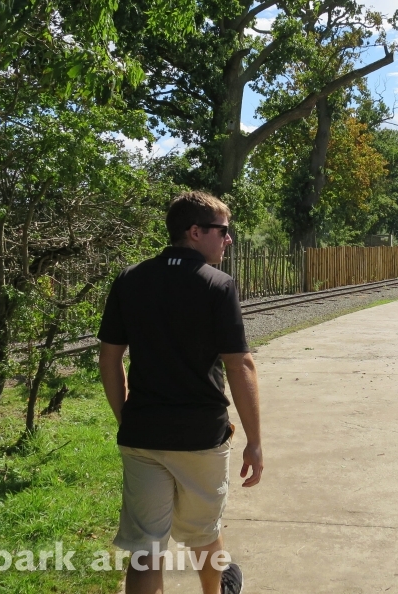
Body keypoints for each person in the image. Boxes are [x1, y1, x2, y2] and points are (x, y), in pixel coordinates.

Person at [98, 191, 263, 594]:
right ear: (195, 232)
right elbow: (240, 365)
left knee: (145, 549)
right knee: (205, 534)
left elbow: (109, 360)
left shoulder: (129, 279)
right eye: (223, 231)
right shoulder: (218, 285)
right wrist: (255, 442)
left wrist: (129, 419)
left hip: (142, 436)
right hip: (200, 438)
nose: (228, 240)